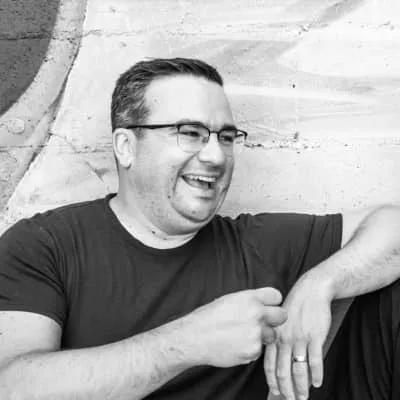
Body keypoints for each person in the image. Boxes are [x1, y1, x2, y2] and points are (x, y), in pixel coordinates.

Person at [0, 57, 399, 400]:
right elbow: (11, 386)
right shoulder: (46, 245)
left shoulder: (258, 242)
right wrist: (186, 343)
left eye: (225, 137)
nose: (215, 156)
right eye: (189, 133)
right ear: (126, 146)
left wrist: (321, 284)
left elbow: (391, 227)